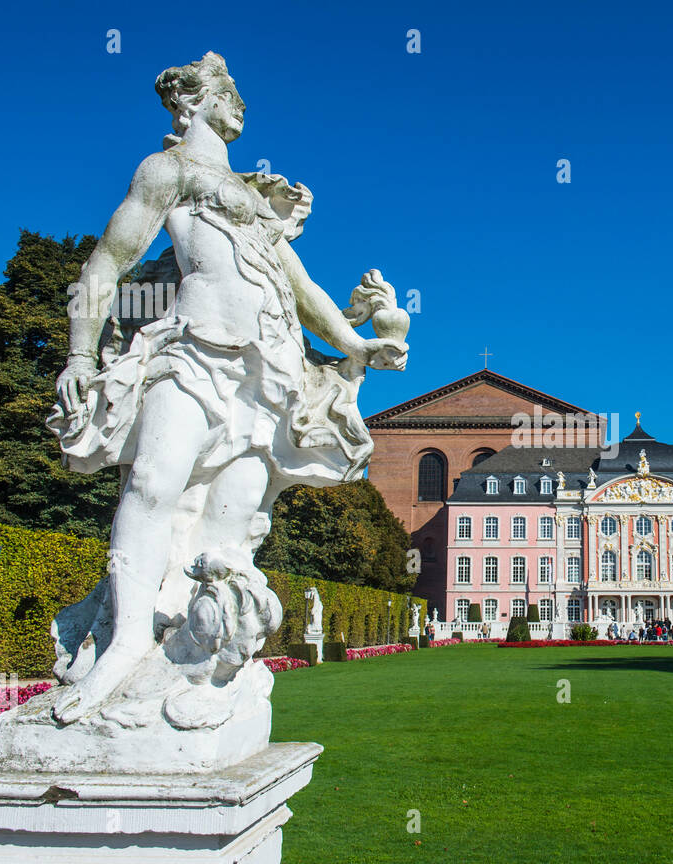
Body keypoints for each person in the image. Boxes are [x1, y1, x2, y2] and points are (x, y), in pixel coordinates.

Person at [47, 52, 407, 722]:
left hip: (267, 376)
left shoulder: (252, 200)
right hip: (195, 351)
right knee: (155, 483)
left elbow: (302, 291)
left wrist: (358, 343)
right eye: (226, 91)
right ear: (191, 103)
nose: (238, 101)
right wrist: (79, 353)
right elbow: (108, 261)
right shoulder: (169, 172)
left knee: (227, 533)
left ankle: (189, 666)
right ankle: (125, 642)